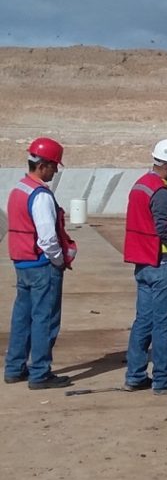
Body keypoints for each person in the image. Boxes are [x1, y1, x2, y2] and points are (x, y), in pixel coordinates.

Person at [5, 137, 77, 389]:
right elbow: (47, 237)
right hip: (41, 265)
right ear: (43, 165)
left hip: (22, 262)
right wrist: (58, 260)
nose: (55, 171)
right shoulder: (41, 196)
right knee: (44, 319)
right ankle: (40, 373)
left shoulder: (18, 189)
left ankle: (14, 367)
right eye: (54, 166)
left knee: (22, 318)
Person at [123, 139, 167, 394]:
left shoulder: (140, 185)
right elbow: (164, 230)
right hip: (163, 263)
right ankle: (163, 379)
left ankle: (135, 375)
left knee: (143, 321)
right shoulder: (160, 192)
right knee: (164, 324)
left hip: (143, 264)